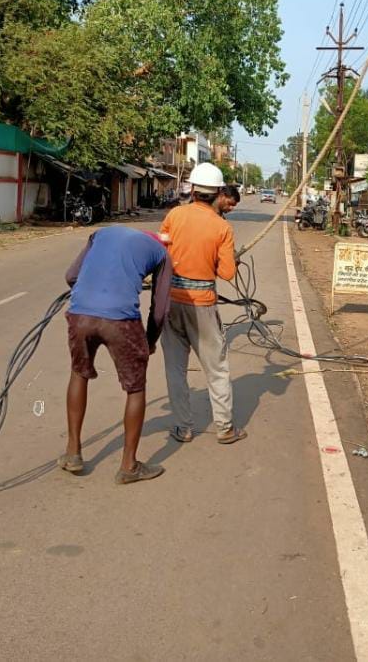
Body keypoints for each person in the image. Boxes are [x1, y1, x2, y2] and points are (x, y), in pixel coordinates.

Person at [59, 225, 173, 484]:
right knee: (135, 388)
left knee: (79, 373)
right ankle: (129, 466)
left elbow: (71, 276)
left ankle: (73, 453)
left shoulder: (102, 233)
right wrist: (150, 341)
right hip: (120, 321)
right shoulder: (162, 254)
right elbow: (161, 308)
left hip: (80, 315)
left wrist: (92, 293)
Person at [159, 163, 246, 445]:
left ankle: (183, 427)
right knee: (216, 369)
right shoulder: (222, 227)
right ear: (219, 193)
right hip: (203, 306)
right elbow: (227, 273)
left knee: (175, 369)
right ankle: (225, 428)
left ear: (193, 189)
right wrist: (231, 257)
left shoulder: (174, 215)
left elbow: (160, 253)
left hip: (171, 301)